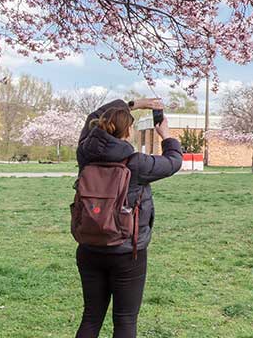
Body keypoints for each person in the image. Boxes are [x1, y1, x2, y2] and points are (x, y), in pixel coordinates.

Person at [74, 98, 182, 338]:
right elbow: (174, 162)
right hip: (126, 252)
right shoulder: (136, 163)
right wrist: (166, 135)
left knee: (91, 316)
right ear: (129, 131)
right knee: (125, 321)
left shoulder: (85, 154)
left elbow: (92, 114)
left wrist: (133, 103)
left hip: (89, 247)